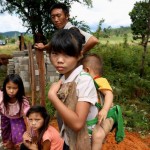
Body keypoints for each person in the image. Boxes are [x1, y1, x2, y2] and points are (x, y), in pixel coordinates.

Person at [47, 28, 99, 149]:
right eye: (55, 53)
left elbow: (77, 123)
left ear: (80, 54)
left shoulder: (83, 80)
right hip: (69, 139)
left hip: (83, 143)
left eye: (67, 54)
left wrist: (53, 97)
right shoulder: (66, 78)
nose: (59, 60)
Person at [82, 54, 125, 149]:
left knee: (98, 136)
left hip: (105, 114)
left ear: (87, 70)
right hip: (96, 116)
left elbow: (109, 94)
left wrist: (105, 109)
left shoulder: (99, 80)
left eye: (82, 72)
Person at [34, 2, 99, 55]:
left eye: (58, 16)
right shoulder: (63, 30)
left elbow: (93, 40)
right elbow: (52, 42)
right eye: (53, 17)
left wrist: (80, 53)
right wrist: (44, 47)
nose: (56, 20)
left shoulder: (71, 29)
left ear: (67, 16)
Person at [0, 74, 30, 149]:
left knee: (19, 141)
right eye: (9, 87)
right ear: (5, 87)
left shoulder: (23, 102)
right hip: (5, 119)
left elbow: (28, 117)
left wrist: (29, 131)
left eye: (15, 88)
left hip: (18, 121)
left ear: (19, 88)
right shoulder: (1, 97)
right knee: (7, 140)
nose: (11, 91)